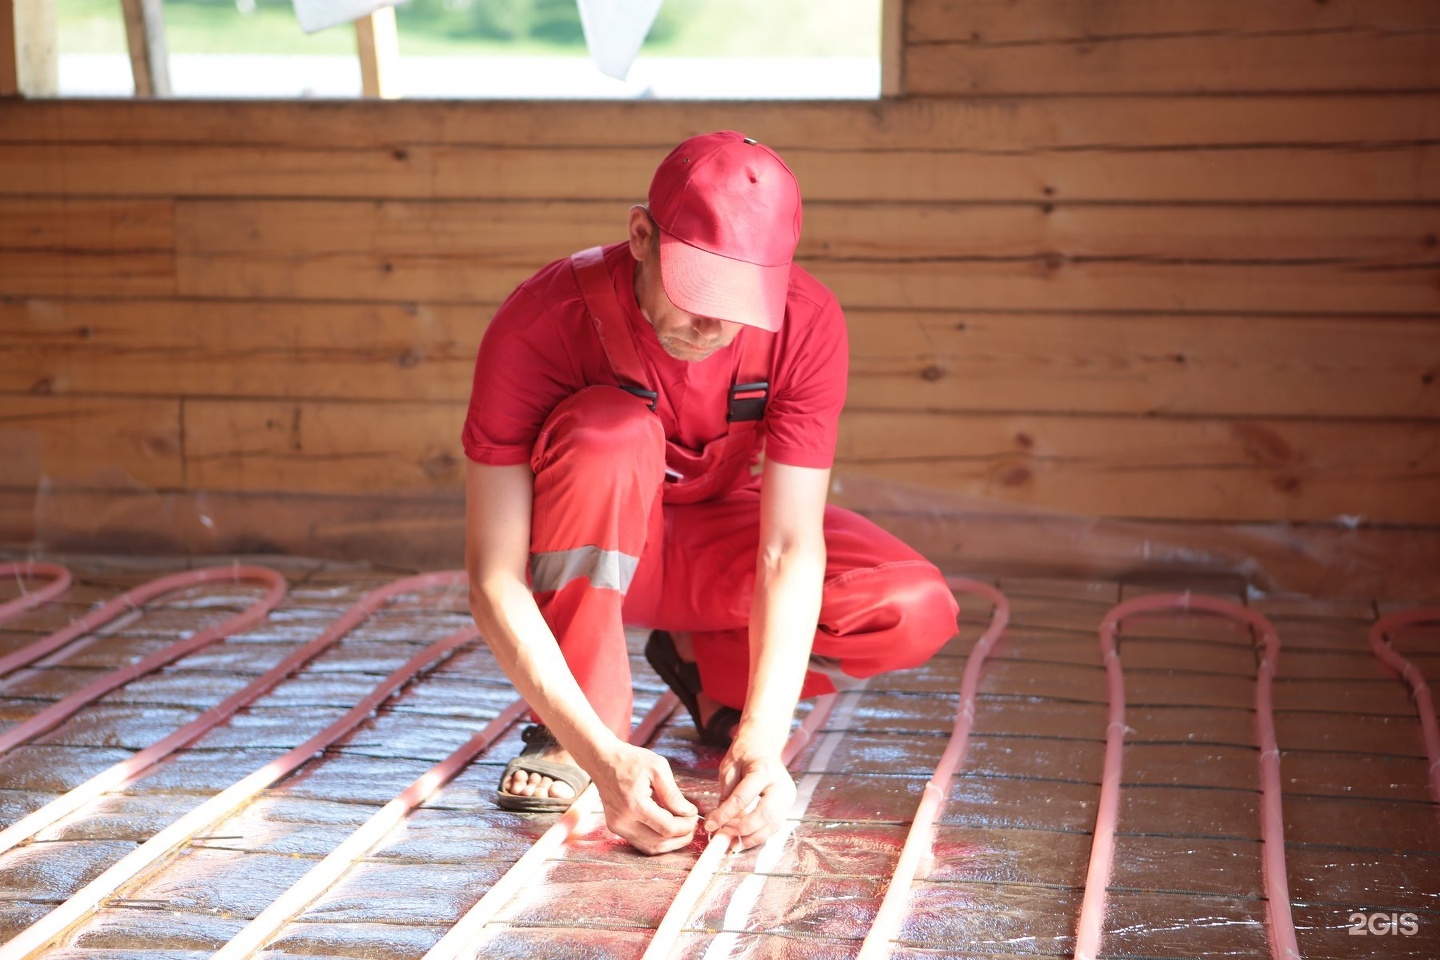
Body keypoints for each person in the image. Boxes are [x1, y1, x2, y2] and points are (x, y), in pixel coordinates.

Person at [462, 131, 959, 856]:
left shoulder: (808, 321)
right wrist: (602, 756)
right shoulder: (539, 324)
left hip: (708, 549)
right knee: (609, 435)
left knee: (911, 610)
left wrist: (765, 737)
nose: (714, 326)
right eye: (696, 294)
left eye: (741, 302)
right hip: (590, 556)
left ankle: (715, 673)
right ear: (640, 235)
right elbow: (492, 578)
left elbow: (789, 547)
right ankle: (578, 729)